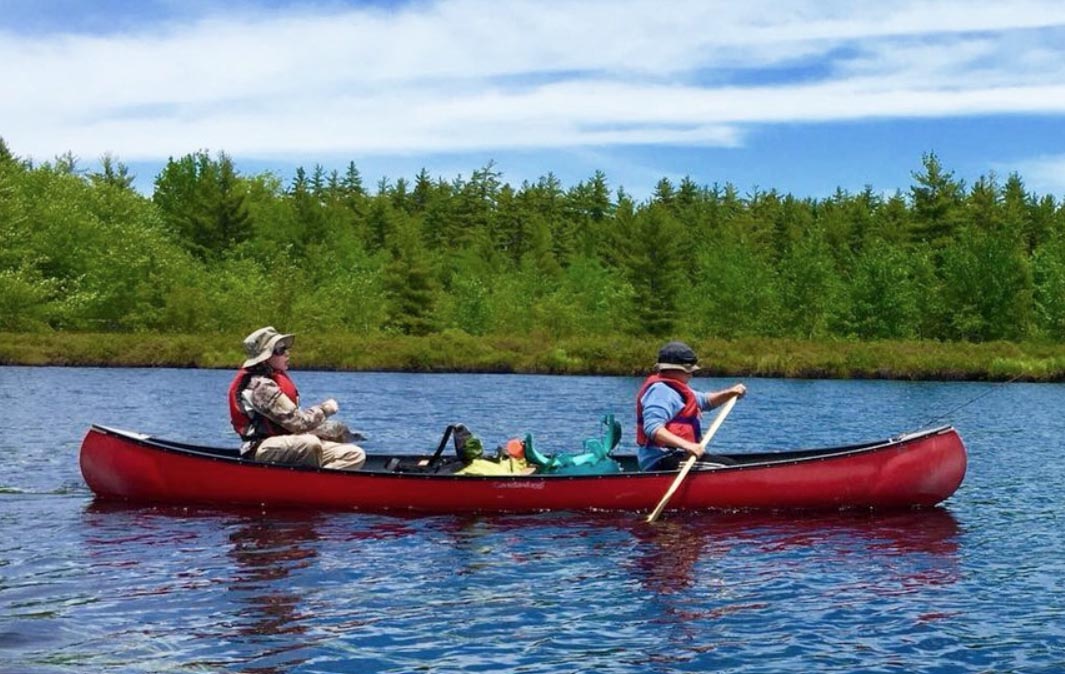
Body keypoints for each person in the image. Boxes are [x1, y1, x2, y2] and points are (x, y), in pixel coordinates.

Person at [228, 326, 366, 471]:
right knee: (309, 443)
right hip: (260, 449)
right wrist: (326, 409)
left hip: (290, 444)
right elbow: (299, 423)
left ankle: (315, 485)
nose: (287, 354)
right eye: (280, 350)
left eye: (286, 349)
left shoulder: (273, 379)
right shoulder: (260, 386)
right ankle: (306, 486)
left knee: (354, 454)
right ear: (265, 358)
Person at [635, 340, 746, 471]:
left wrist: (730, 393)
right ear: (672, 369)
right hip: (662, 460)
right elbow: (653, 429)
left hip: (679, 455)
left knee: (730, 465)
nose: (691, 374)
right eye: (687, 371)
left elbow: (706, 401)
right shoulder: (660, 392)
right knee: (727, 468)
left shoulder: (677, 389)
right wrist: (688, 446)